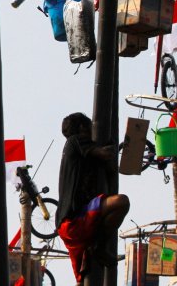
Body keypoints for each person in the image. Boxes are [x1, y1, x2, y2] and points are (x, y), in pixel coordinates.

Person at [55, 112, 129, 284]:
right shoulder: (75, 141)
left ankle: (95, 246)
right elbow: (106, 154)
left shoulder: (81, 155)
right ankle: (100, 246)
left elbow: (107, 167)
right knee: (121, 202)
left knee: (82, 279)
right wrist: (122, 145)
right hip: (74, 221)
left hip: (70, 227)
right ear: (82, 128)